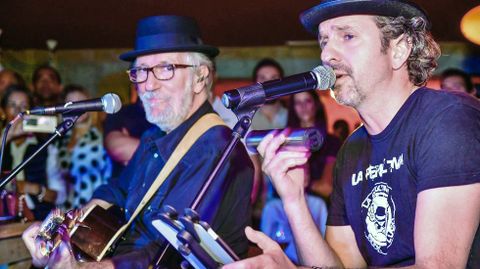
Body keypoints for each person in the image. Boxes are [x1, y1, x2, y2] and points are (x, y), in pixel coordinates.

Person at [225, 0, 480, 268]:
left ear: (399, 49)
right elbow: (342, 264)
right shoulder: (352, 149)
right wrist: (294, 200)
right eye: (324, 42)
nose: (326, 56)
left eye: (348, 36)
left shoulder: (447, 119)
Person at [22, 15, 253, 268]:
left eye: (166, 68)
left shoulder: (216, 148)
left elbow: (168, 253)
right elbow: (117, 189)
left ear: (200, 77)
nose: (148, 84)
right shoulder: (152, 136)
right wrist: (65, 233)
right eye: (141, 70)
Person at [0, 85, 61, 220]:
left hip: (37, 219)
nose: (18, 111)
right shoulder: (2, 144)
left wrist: (33, 188)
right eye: (12, 105)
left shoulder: (45, 147)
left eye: (23, 106)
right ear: (3, 111)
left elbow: (60, 195)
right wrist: (6, 136)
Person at [48, 84, 112, 210]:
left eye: (81, 103)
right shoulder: (58, 141)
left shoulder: (102, 137)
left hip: (93, 211)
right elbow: (54, 182)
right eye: (71, 104)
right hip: (64, 213)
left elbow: (109, 180)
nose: (77, 108)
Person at [287, 90, 341, 199]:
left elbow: (326, 187)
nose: (303, 106)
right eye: (298, 102)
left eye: (307, 101)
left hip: (321, 204)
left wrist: (302, 184)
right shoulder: (286, 141)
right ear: (293, 108)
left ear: (316, 104)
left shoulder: (332, 142)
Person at [103, 84, 153, 179]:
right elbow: (119, 148)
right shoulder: (120, 112)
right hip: (125, 189)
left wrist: (136, 156)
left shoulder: (171, 115)